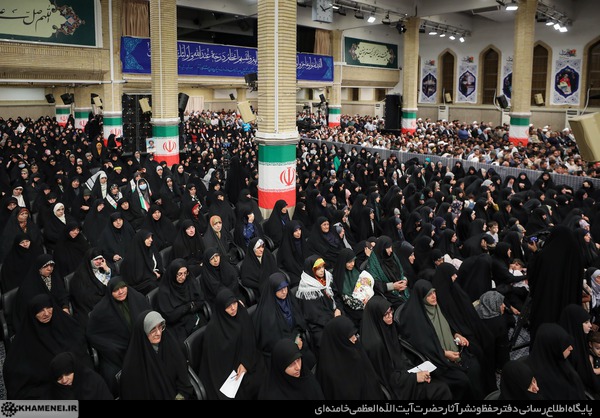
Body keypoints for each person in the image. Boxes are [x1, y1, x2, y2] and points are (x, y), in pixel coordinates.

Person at [396, 279, 483, 400]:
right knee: (462, 380)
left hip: (452, 351)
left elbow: (448, 326)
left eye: (434, 292)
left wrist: (456, 335)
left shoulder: (437, 307)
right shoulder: (416, 318)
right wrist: (444, 354)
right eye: (429, 295)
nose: (434, 296)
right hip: (436, 359)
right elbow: (423, 346)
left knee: (475, 363)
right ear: (422, 298)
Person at [360, 295, 452, 400]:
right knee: (440, 390)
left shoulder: (388, 328)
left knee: (442, 379)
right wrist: (414, 377)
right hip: (397, 387)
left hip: (404, 373)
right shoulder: (374, 346)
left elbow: (400, 357)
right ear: (377, 317)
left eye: (391, 311)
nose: (390, 316)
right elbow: (387, 378)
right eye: (386, 314)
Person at [3, 294, 91, 400]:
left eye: (49, 307)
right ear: (32, 314)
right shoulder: (25, 339)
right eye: (40, 310)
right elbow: (16, 373)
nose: (46, 313)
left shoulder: (64, 323)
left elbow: (79, 346)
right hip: (49, 388)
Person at [431, 262, 497, 394]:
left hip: (471, 329)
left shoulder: (455, 289)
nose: (455, 276)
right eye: (452, 275)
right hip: (461, 335)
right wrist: (458, 333)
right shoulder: (440, 298)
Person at [86, 277, 151, 396]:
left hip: (142, 343)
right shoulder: (101, 310)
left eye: (123, 287)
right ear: (110, 293)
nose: (121, 292)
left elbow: (149, 318)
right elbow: (92, 334)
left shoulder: (138, 298)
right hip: (117, 351)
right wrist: (113, 347)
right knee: (112, 376)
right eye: (116, 290)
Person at [199, 288, 266, 400]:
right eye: (228, 306)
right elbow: (215, 362)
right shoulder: (213, 330)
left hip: (246, 360)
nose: (233, 308)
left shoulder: (241, 313)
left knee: (262, 375)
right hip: (226, 371)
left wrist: (245, 363)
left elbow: (249, 339)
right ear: (221, 308)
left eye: (234, 303)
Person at [528, 225, 584, 343]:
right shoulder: (576, 254)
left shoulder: (545, 255)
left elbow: (533, 276)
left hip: (546, 304)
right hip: (569, 302)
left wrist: (536, 253)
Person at [120, 310, 194, 400]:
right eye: (153, 330)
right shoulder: (132, 366)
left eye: (160, 327)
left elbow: (184, 384)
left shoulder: (170, 346)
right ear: (144, 332)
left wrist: (179, 398)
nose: (158, 333)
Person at [252, 272, 316, 370]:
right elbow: (271, 338)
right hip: (280, 346)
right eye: (280, 289)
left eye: (285, 287)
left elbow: (299, 322)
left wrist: (297, 337)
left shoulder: (289, 299)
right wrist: (293, 340)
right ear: (273, 290)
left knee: (311, 360)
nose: (284, 291)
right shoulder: (267, 311)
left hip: (296, 337)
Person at [316, 315, 385, 400]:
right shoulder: (329, 371)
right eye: (349, 336)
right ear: (339, 339)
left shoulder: (356, 348)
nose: (355, 338)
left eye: (354, 334)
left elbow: (371, 378)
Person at [295, 255, 343, 358]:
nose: (322, 270)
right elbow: (314, 315)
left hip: (335, 315)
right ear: (311, 270)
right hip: (319, 325)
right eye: (318, 268)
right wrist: (334, 319)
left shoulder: (327, 278)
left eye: (323, 266)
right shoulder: (306, 288)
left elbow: (337, 296)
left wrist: (338, 309)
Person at [524, 322, 587, 400]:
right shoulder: (534, 380)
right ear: (553, 347)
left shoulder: (560, 363)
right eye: (564, 344)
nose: (571, 348)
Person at [156, 258, 207, 346]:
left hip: (194, 316)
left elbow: (200, 301)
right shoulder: (165, 291)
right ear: (173, 274)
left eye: (185, 273)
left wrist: (182, 309)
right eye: (179, 274)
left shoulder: (189, 281)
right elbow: (170, 316)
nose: (183, 277)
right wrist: (188, 306)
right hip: (176, 326)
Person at [14, 254, 70, 333]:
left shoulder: (54, 277)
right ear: (39, 268)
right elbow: (29, 310)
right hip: (40, 320)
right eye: (46, 266)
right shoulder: (28, 286)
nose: (49, 269)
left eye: (51, 266)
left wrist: (65, 307)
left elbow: (62, 294)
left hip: (56, 314)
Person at [258, 338, 324, 400]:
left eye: (298, 360)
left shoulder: (308, 380)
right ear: (281, 367)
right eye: (291, 364)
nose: (298, 368)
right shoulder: (269, 395)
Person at [559, 303, 599, 396]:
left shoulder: (579, 340)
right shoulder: (570, 348)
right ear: (575, 323)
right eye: (586, 322)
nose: (590, 325)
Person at [69, 248, 113, 330]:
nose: (99, 261)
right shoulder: (80, 277)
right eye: (96, 259)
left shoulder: (103, 269)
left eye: (101, 259)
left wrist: (108, 271)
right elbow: (86, 298)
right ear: (90, 261)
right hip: (92, 307)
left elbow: (115, 284)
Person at [47, 351, 114, 400]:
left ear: (76, 370)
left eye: (68, 374)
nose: (64, 380)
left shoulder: (94, 382)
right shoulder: (54, 392)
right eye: (59, 378)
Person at [366, 235, 409, 309]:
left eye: (391, 247)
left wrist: (404, 280)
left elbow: (401, 271)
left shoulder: (392, 256)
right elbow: (375, 284)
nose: (391, 250)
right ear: (382, 248)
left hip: (402, 289)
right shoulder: (373, 262)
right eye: (388, 248)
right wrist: (392, 286)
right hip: (388, 294)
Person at [475, 290, 510, 374]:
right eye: (501, 303)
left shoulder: (476, 313)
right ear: (493, 304)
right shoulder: (499, 323)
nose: (504, 306)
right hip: (491, 361)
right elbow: (503, 349)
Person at [120, 229, 163, 295]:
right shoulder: (133, 257)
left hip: (151, 276)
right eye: (148, 238)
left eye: (151, 237)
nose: (151, 240)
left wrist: (156, 273)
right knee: (153, 285)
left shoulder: (151, 249)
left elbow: (157, 265)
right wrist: (153, 275)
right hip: (139, 283)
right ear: (141, 240)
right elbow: (137, 276)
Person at [276, 220, 308, 287]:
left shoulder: (302, 241)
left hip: (302, 267)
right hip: (291, 270)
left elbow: (306, 256)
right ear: (290, 232)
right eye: (295, 231)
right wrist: (302, 272)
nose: (299, 232)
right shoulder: (285, 246)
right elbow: (290, 264)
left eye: (299, 229)